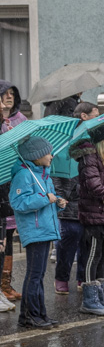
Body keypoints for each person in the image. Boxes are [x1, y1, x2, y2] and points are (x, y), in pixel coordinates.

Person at [9, 137, 67, 328]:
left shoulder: (43, 175)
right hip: (35, 231)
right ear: (36, 156)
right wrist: (45, 198)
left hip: (45, 229)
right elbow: (18, 202)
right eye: (48, 152)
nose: (51, 156)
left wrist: (58, 202)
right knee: (34, 275)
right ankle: (29, 316)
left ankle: (39, 314)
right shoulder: (24, 175)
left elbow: (47, 200)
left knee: (39, 274)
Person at [72, 121, 104, 316]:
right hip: (93, 216)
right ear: (103, 138)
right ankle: (90, 300)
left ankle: (102, 297)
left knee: (101, 257)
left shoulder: (103, 160)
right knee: (92, 257)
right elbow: (94, 187)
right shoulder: (89, 160)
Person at [53, 102, 100, 295]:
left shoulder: (95, 140)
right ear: (84, 116)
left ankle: (83, 277)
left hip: (89, 202)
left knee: (87, 244)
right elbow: (56, 171)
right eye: (95, 115)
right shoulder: (65, 140)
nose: (98, 119)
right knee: (68, 243)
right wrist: (61, 196)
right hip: (70, 201)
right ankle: (61, 278)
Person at [0, 80, 28, 304]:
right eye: (5, 93)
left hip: (14, 182)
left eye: (12, 93)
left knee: (9, 236)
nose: (9, 97)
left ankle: (6, 284)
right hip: (1, 182)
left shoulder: (21, 120)